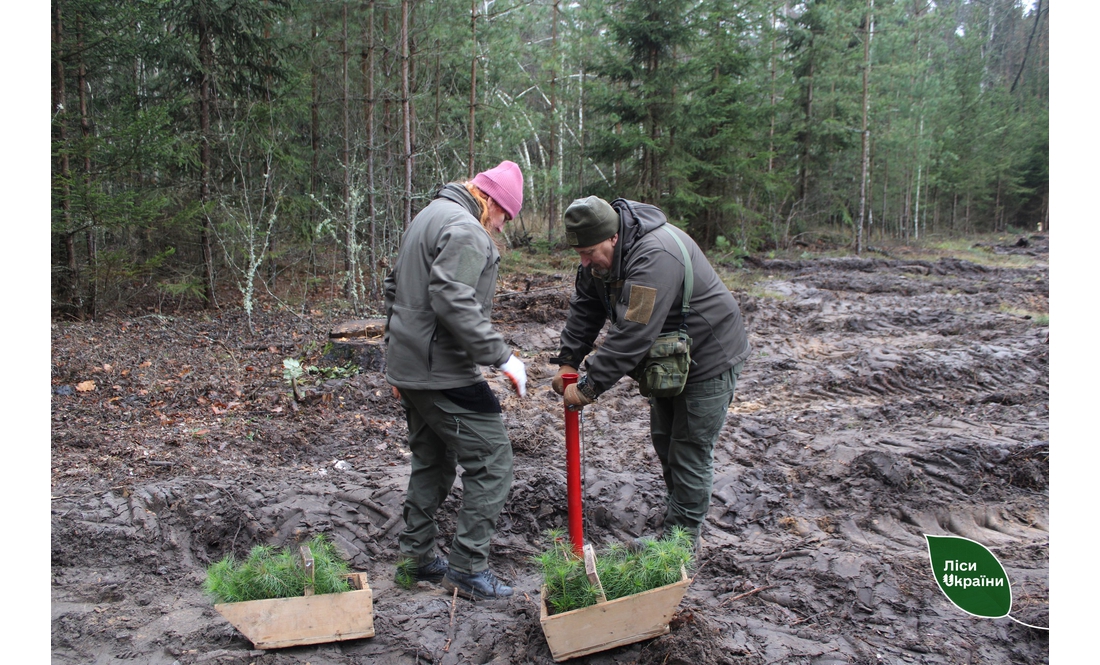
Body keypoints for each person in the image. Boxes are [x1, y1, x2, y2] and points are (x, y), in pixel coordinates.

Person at [551, 195, 750, 551]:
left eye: (590, 252)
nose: (584, 262)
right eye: (578, 254)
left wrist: (590, 385)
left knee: (688, 450)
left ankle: (680, 547)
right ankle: (675, 529)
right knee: (666, 443)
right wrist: (568, 359)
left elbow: (634, 329)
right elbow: (585, 307)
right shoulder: (598, 257)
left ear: (613, 237)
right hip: (668, 359)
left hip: (710, 354)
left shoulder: (654, 255)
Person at [383, 160, 528, 600]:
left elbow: (395, 289)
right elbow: (452, 297)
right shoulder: (466, 229)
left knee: (433, 461)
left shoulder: (427, 215)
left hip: (413, 368)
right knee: (493, 461)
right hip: (441, 371)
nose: (501, 227)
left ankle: (417, 560)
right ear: (490, 201)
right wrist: (501, 356)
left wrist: (395, 359)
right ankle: (466, 568)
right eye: (504, 216)